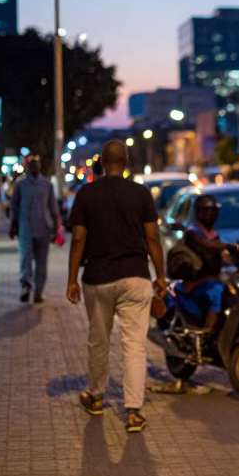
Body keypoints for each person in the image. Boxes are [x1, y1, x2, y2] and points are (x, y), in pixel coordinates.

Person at [67, 139, 168, 433]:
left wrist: (72, 278)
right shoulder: (140, 194)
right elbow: (152, 238)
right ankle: (134, 411)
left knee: (99, 341)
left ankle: (96, 397)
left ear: (100, 161)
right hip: (135, 276)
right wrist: (160, 275)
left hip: (97, 278)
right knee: (134, 345)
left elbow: (77, 239)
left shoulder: (86, 194)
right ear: (125, 161)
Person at [10, 156, 60, 303]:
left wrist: (57, 228)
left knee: (41, 263)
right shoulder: (21, 185)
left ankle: (38, 292)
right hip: (25, 229)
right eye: (31, 165)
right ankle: (26, 287)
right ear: (27, 167)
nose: (33, 168)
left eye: (36, 165)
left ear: (40, 167)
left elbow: (53, 209)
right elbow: (14, 207)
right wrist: (13, 227)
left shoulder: (47, 185)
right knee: (25, 260)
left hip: (43, 230)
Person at [178, 194, 231, 333]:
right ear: (199, 213)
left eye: (214, 211)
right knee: (217, 291)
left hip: (211, 279)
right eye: (206, 211)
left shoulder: (212, 232)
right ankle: (208, 332)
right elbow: (207, 245)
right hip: (196, 283)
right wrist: (228, 246)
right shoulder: (193, 231)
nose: (211, 215)